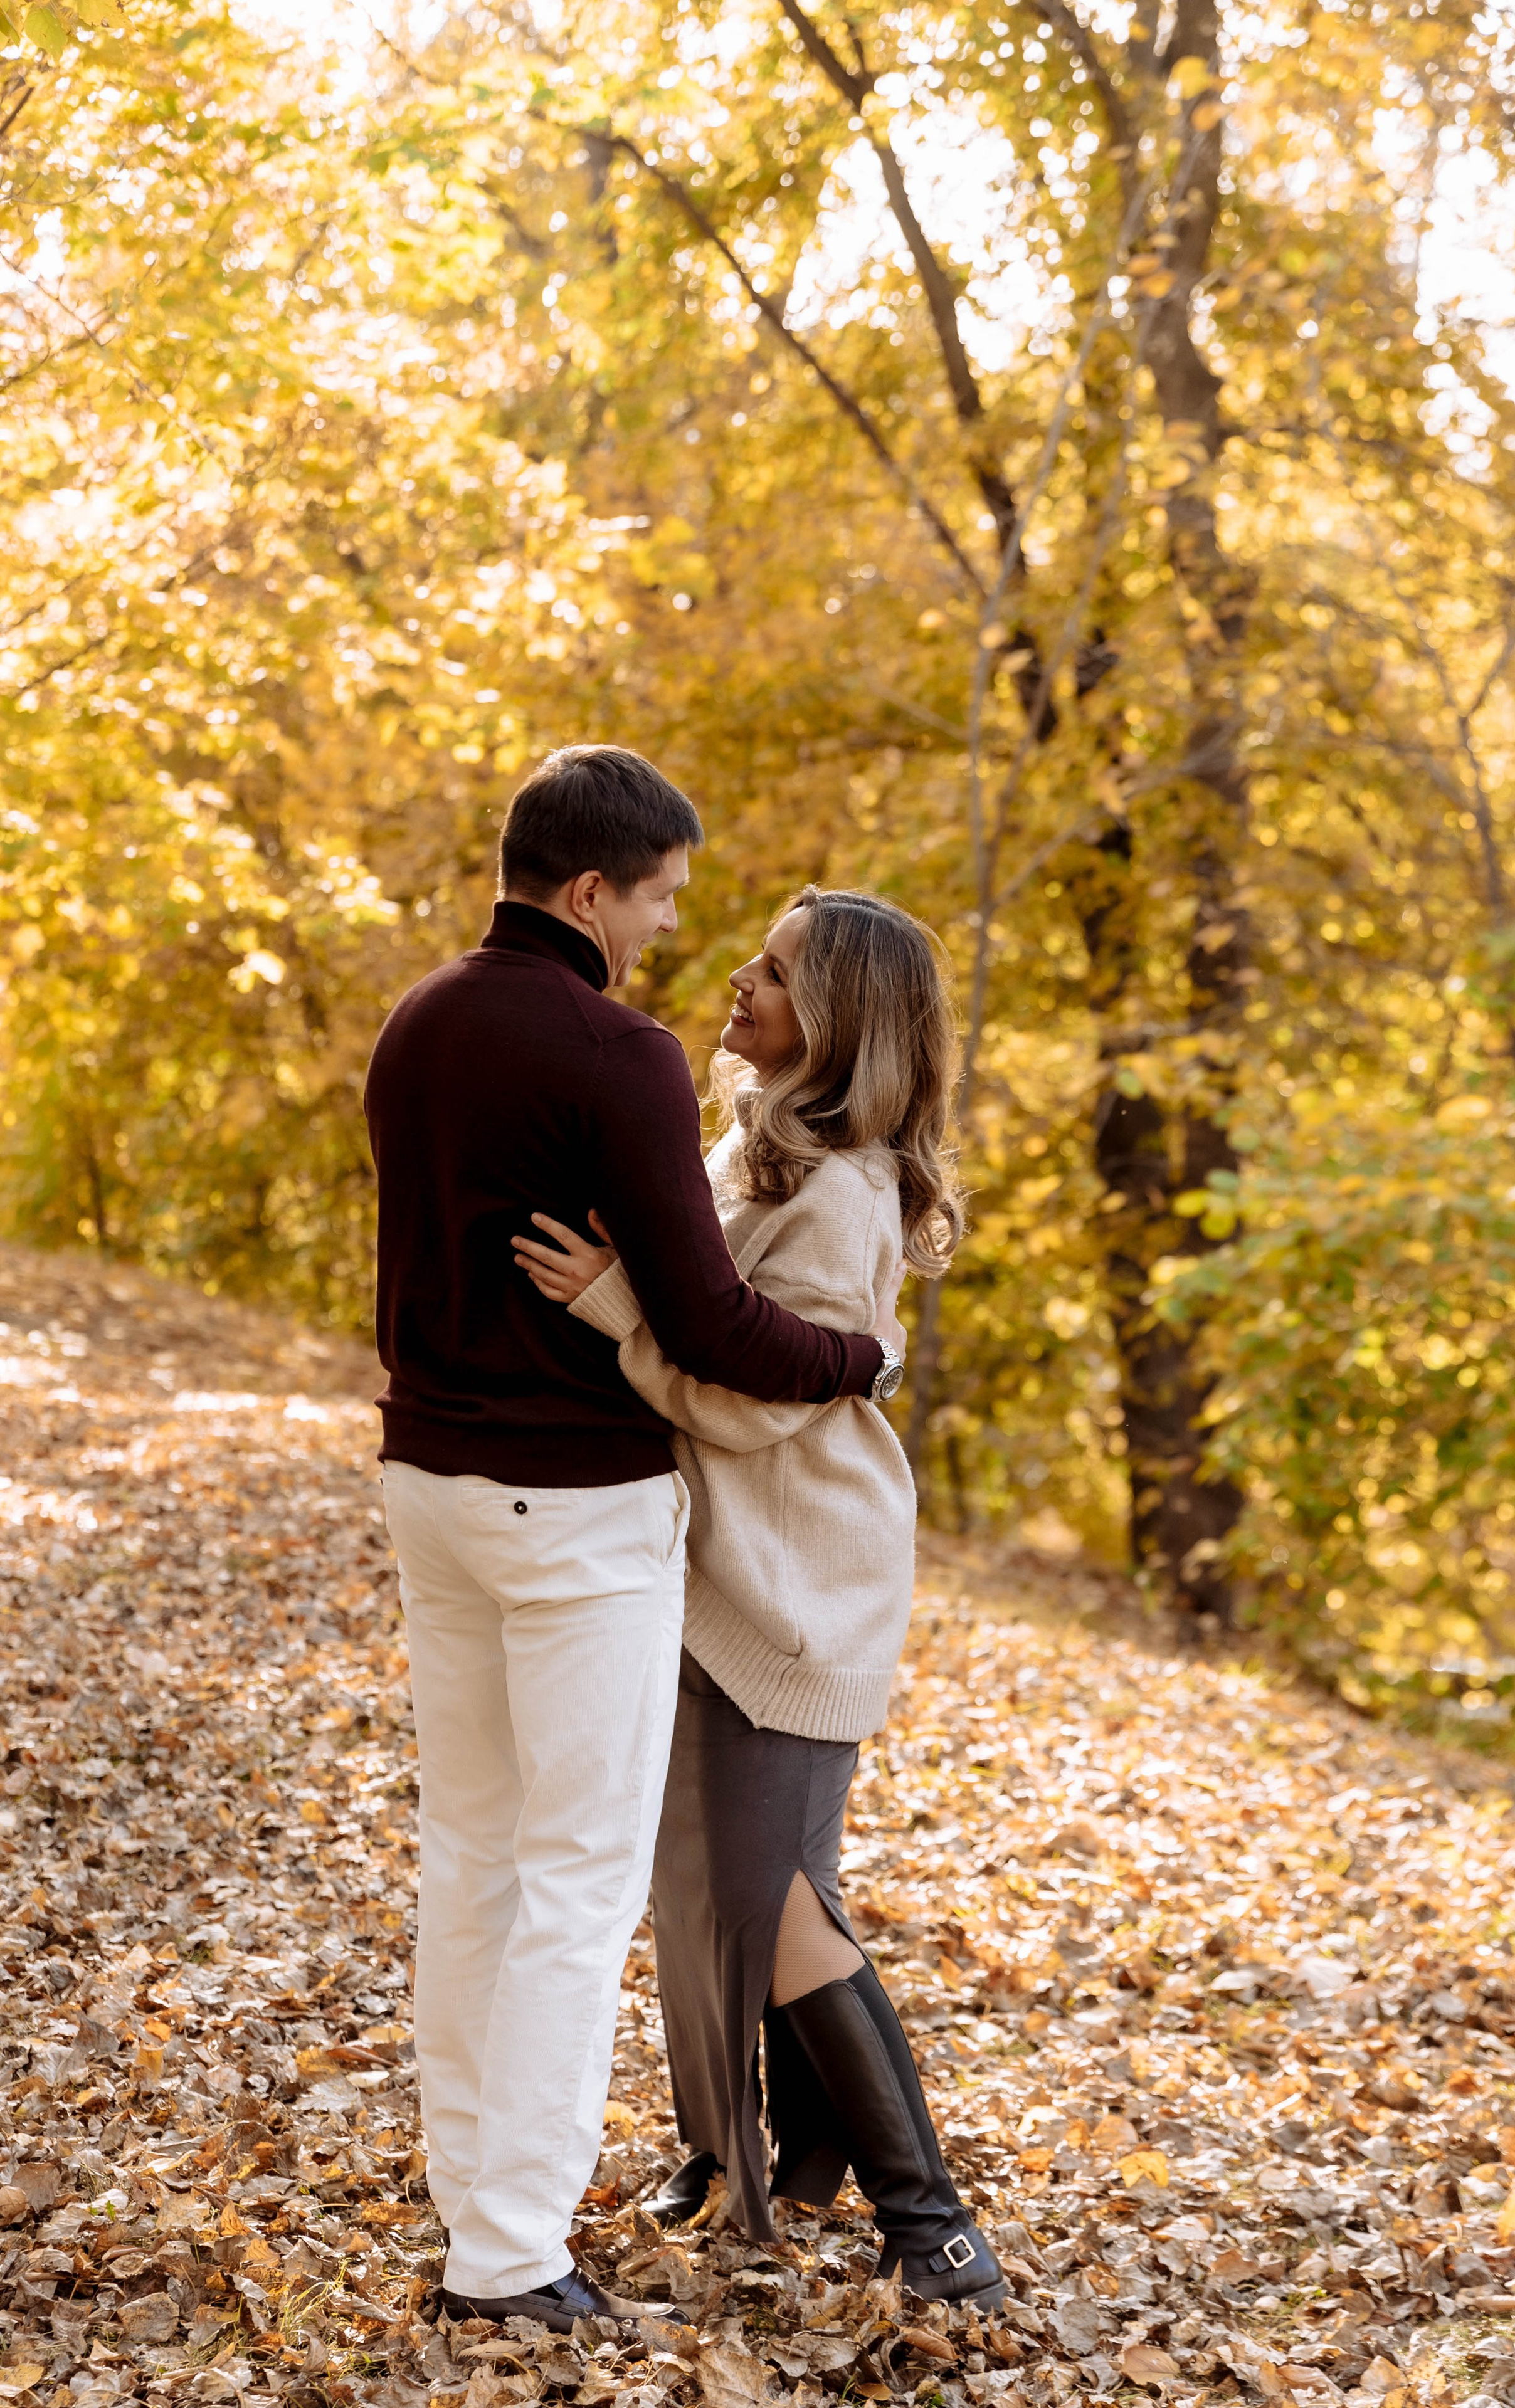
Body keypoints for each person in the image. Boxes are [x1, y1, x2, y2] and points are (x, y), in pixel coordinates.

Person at [364, 751, 908, 2335]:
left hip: (432, 1487)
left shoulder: (417, 1023)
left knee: (471, 1856)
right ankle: (509, 2254)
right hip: (575, 1519)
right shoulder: (617, 1052)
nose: (674, 927)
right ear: (593, 889)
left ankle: (473, 2198)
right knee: (574, 1886)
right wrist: (857, 1362)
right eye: (663, 894)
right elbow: (721, 1327)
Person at [514, 887, 1005, 2310]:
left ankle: (934, 2225)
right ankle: (763, 2161)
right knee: (709, 1887)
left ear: (842, 1021)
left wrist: (614, 1309)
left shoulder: (844, 1193)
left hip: (799, 1585)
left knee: (765, 1899)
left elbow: (749, 1407)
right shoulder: (755, 1150)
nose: (740, 978)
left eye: (778, 975)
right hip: (715, 1567)